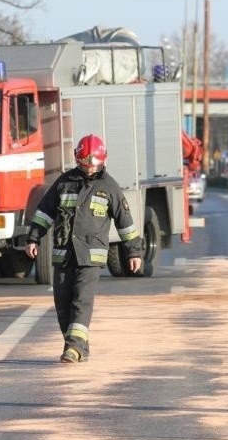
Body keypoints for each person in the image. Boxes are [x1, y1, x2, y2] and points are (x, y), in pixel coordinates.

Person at [24, 134, 142, 363]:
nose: (89, 170)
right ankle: (79, 347)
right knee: (63, 303)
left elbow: (125, 223)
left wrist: (134, 252)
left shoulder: (109, 187)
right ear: (78, 160)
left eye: (93, 166)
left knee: (82, 299)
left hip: (91, 256)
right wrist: (33, 239)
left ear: (102, 162)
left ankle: (73, 348)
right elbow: (44, 213)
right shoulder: (64, 182)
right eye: (84, 165)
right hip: (64, 254)